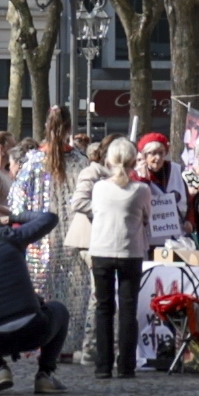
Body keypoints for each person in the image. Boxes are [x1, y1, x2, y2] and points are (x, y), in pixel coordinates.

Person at [0, 199, 69, 393]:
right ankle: (45, 376)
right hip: (34, 329)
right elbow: (49, 218)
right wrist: (13, 217)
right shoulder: (11, 236)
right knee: (59, 309)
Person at [73, 135, 155, 380]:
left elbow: (91, 208)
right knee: (128, 308)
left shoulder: (99, 188)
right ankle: (127, 365)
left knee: (103, 308)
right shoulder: (141, 189)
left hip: (101, 250)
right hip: (130, 251)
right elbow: (147, 217)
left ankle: (103, 365)